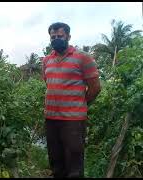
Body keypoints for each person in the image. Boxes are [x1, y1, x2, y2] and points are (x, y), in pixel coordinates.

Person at [42, 22, 101, 178]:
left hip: (73, 121)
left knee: (74, 166)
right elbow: (50, 83)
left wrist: (79, 104)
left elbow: (95, 88)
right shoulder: (46, 60)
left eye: (60, 36)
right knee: (56, 163)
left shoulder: (83, 58)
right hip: (51, 119)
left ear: (68, 36)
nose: (56, 39)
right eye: (53, 37)